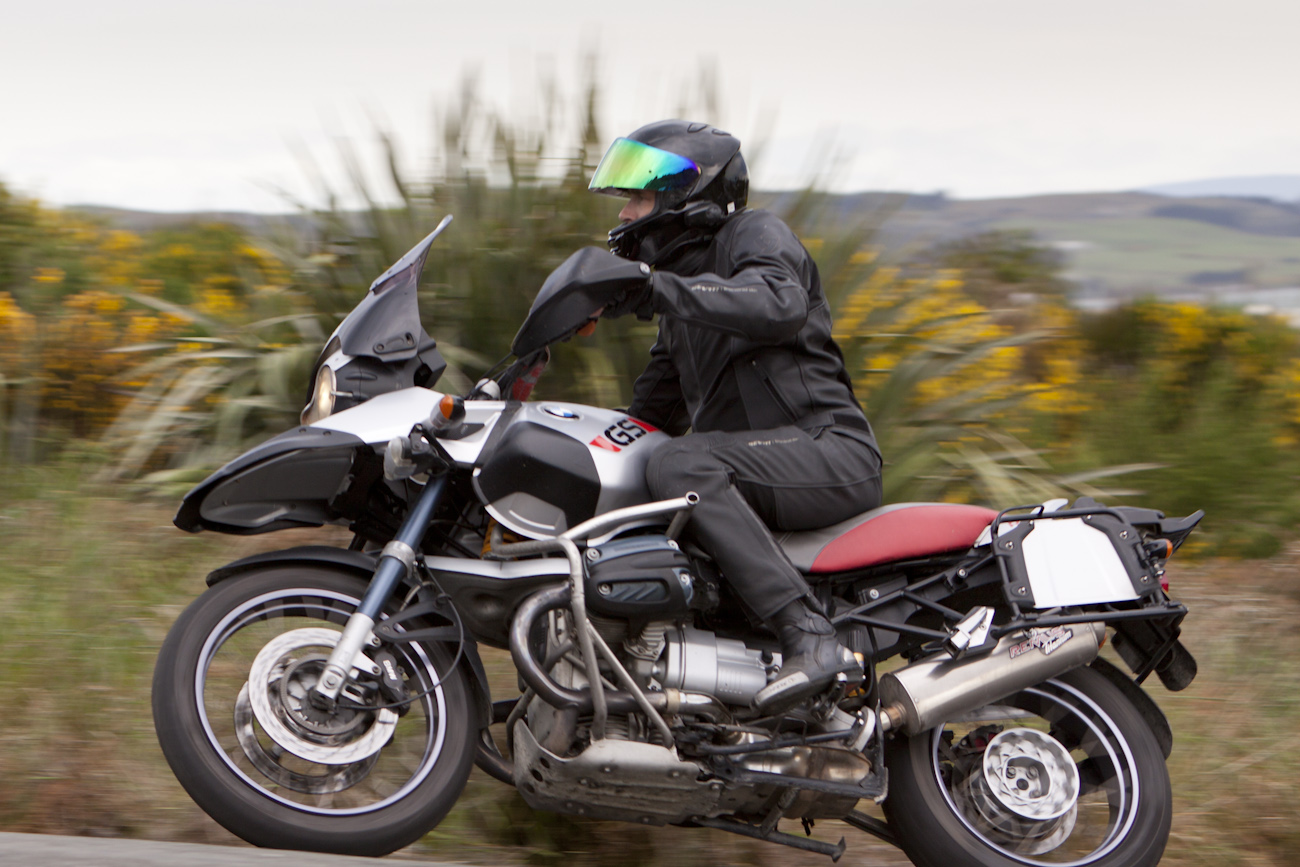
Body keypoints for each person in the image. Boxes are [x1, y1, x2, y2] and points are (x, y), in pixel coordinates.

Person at [587, 120, 884, 712]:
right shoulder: (681, 315)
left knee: (683, 462)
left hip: (829, 450)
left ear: (683, 198)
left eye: (638, 197)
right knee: (641, 471)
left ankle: (811, 637)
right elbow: (645, 418)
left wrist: (655, 288)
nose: (624, 216)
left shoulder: (754, 234)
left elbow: (778, 302)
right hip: (756, 472)